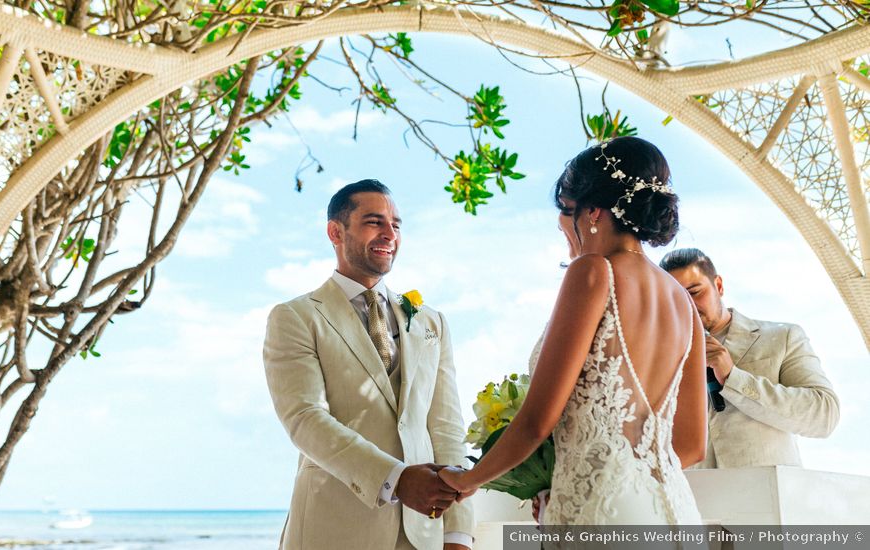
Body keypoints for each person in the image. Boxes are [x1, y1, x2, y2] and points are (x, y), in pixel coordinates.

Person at [439, 136, 708, 524]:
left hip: (602, 513)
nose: (562, 224)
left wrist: (467, 480)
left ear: (593, 212)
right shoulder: (683, 304)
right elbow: (691, 445)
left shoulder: (595, 272)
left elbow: (536, 421)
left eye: (566, 210)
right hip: (673, 511)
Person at [263, 180, 474, 550]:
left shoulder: (431, 322)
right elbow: (304, 418)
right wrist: (396, 478)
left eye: (396, 224)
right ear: (335, 231)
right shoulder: (295, 317)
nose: (390, 233)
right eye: (374, 222)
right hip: (332, 529)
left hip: (422, 532)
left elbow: (445, 427)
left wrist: (457, 533)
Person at [660, 248, 840, 468]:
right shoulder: (657, 357)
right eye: (676, 297)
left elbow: (824, 416)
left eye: (695, 292)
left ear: (718, 286)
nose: (688, 305)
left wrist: (733, 378)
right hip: (694, 497)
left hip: (769, 494)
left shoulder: (782, 337)